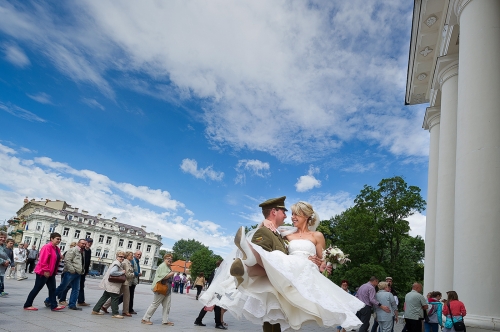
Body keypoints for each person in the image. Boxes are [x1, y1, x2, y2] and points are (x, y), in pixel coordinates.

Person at [223, 198, 364, 331]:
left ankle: (248, 267)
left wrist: (323, 265)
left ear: (307, 216)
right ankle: (248, 264)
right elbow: (269, 233)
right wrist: (264, 222)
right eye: (292, 214)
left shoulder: (317, 236)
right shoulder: (287, 233)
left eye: (296, 214)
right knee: (276, 305)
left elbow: (323, 261)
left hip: (306, 271)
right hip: (288, 268)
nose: (292, 217)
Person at [23, 233, 65, 311]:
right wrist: (46, 270)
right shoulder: (47, 247)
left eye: (60, 239)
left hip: (51, 273)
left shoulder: (56, 248)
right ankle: (27, 305)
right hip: (43, 272)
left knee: (52, 289)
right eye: (57, 239)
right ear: (51, 239)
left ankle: (54, 305)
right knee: (37, 288)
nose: (59, 240)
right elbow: (42, 260)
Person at [49, 239, 86, 310]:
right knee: (62, 287)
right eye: (82, 243)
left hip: (78, 273)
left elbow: (81, 262)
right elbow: (67, 260)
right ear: (78, 243)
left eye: (84, 244)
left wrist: (81, 271)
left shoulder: (82, 251)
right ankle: (48, 300)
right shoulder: (73, 250)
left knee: (76, 289)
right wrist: (72, 270)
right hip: (70, 272)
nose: (83, 245)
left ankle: (72, 305)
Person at [141, 253, 175, 325]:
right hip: (161, 288)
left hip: (166, 289)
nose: (170, 260)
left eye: (171, 259)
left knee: (167, 305)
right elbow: (163, 277)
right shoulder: (163, 266)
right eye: (168, 258)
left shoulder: (168, 266)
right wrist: (171, 274)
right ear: (164, 259)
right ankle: (145, 318)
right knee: (155, 304)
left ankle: (165, 320)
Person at [91, 251, 127, 318]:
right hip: (113, 284)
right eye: (120, 256)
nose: (122, 258)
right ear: (117, 256)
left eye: (123, 257)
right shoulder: (117, 263)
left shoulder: (116, 262)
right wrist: (121, 272)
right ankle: (115, 313)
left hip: (109, 284)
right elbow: (113, 273)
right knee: (115, 298)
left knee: (104, 297)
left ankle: (95, 310)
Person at [195, 260, 227, 329]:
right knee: (216, 306)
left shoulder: (215, 270)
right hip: (216, 291)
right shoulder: (219, 272)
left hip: (214, 291)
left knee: (209, 306)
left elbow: (210, 281)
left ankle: (198, 320)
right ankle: (218, 323)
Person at [101, 251, 135, 316]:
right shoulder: (126, 262)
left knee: (116, 295)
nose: (132, 257)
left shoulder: (127, 262)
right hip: (125, 282)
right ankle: (125, 311)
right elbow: (127, 274)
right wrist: (134, 274)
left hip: (123, 281)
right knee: (126, 297)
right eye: (131, 255)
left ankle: (105, 306)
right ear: (127, 256)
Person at [77, 237, 93, 306]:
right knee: (68, 285)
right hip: (78, 270)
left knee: (81, 286)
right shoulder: (82, 250)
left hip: (83, 271)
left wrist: (87, 271)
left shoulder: (89, 251)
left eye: (90, 243)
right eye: (88, 242)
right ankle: (61, 298)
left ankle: (81, 301)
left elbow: (88, 261)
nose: (89, 244)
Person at [129, 250, 141, 314]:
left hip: (134, 280)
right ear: (134, 254)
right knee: (129, 295)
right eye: (138, 254)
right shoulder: (133, 261)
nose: (139, 256)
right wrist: (137, 274)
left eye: (140, 255)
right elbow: (131, 270)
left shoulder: (137, 261)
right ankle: (130, 309)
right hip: (131, 280)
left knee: (129, 295)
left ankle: (130, 308)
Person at [0, 231, 11, 297]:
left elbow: (7, 256)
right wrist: (3, 262)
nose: (3, 239)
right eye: (1, 237)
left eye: (4, 237)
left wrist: (8, 261)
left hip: (1, 270)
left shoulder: (3, 246)